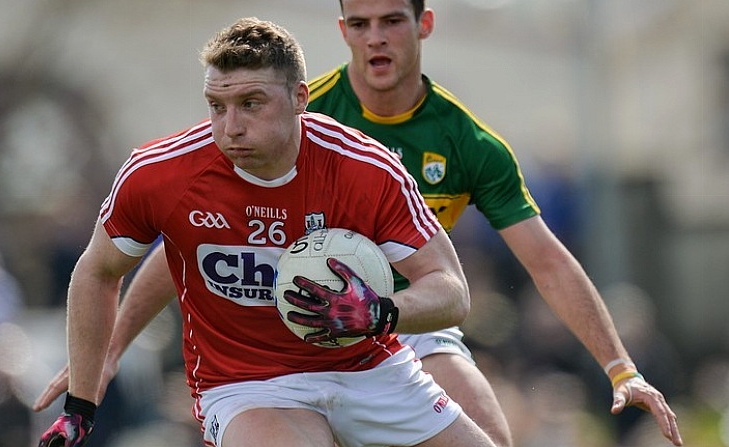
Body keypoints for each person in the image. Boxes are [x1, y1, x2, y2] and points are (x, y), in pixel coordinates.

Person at [36, 1, 683, 446]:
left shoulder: (447, 147)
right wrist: (104, 358)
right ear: (342, 32)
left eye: (390, 21)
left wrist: (620, 367)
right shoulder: (262, 124)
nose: (376, 37)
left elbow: (533, 261)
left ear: (422, 25)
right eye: (360, 22)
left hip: (393, 331)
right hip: (257, 363)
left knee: (492, 431)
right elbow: (182, 249)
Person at [36, 16, 498, 447]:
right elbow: (100, 270)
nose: (229, 128)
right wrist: (81, 404)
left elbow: (451, 291)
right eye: (217, 106)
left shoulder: (365, 169)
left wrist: (378, 312)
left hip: (369, 367)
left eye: (250, 104)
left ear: (300, 97)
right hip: (248, 384)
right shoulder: (160, 174)